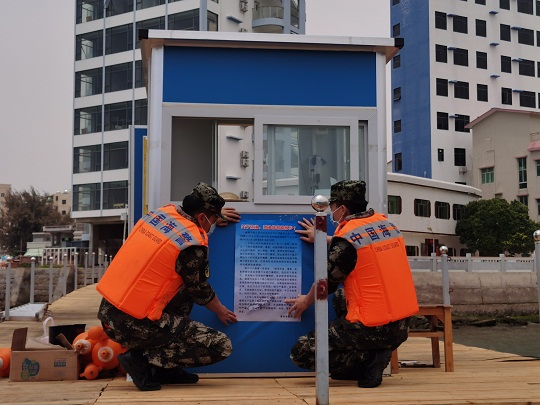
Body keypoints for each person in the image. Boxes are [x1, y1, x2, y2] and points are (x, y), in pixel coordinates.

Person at [97, 182, 239, 391]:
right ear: (202, 217)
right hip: (132, 325)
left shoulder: (161, 215)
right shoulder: (191, 247)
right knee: (220, 345)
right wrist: (221, 311)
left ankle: (166, 370)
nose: (213, 224)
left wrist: (213, 218)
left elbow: (190, 227)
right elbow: (200, 291)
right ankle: (140, 359)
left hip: (110, 313)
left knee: (183, 288)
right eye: (213, 219)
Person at [286, 180, 418, 388]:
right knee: (341, 297)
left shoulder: (347, 237)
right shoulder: (385, 224)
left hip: (374, 326)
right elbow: (359, 245)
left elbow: (325, 285)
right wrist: (325, 239)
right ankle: (376, 348)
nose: (330, 211)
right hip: (400, 326)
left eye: (331, 206)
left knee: (301, 352)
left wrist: (305, 301)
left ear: (342, 208)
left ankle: (368, 360)